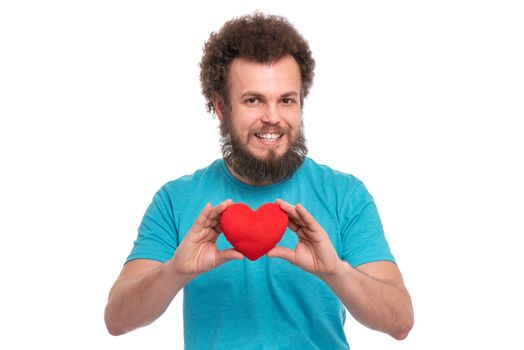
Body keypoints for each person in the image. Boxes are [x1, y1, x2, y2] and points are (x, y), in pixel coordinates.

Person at [104, 12, 414, 349]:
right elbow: (117, 320)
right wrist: (175, 271)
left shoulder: (345, 195)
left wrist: (336, 272)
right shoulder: (176, 199)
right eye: (253, 100)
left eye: (286, 100)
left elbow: (399, 321)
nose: (272, 118)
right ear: (221, 107)